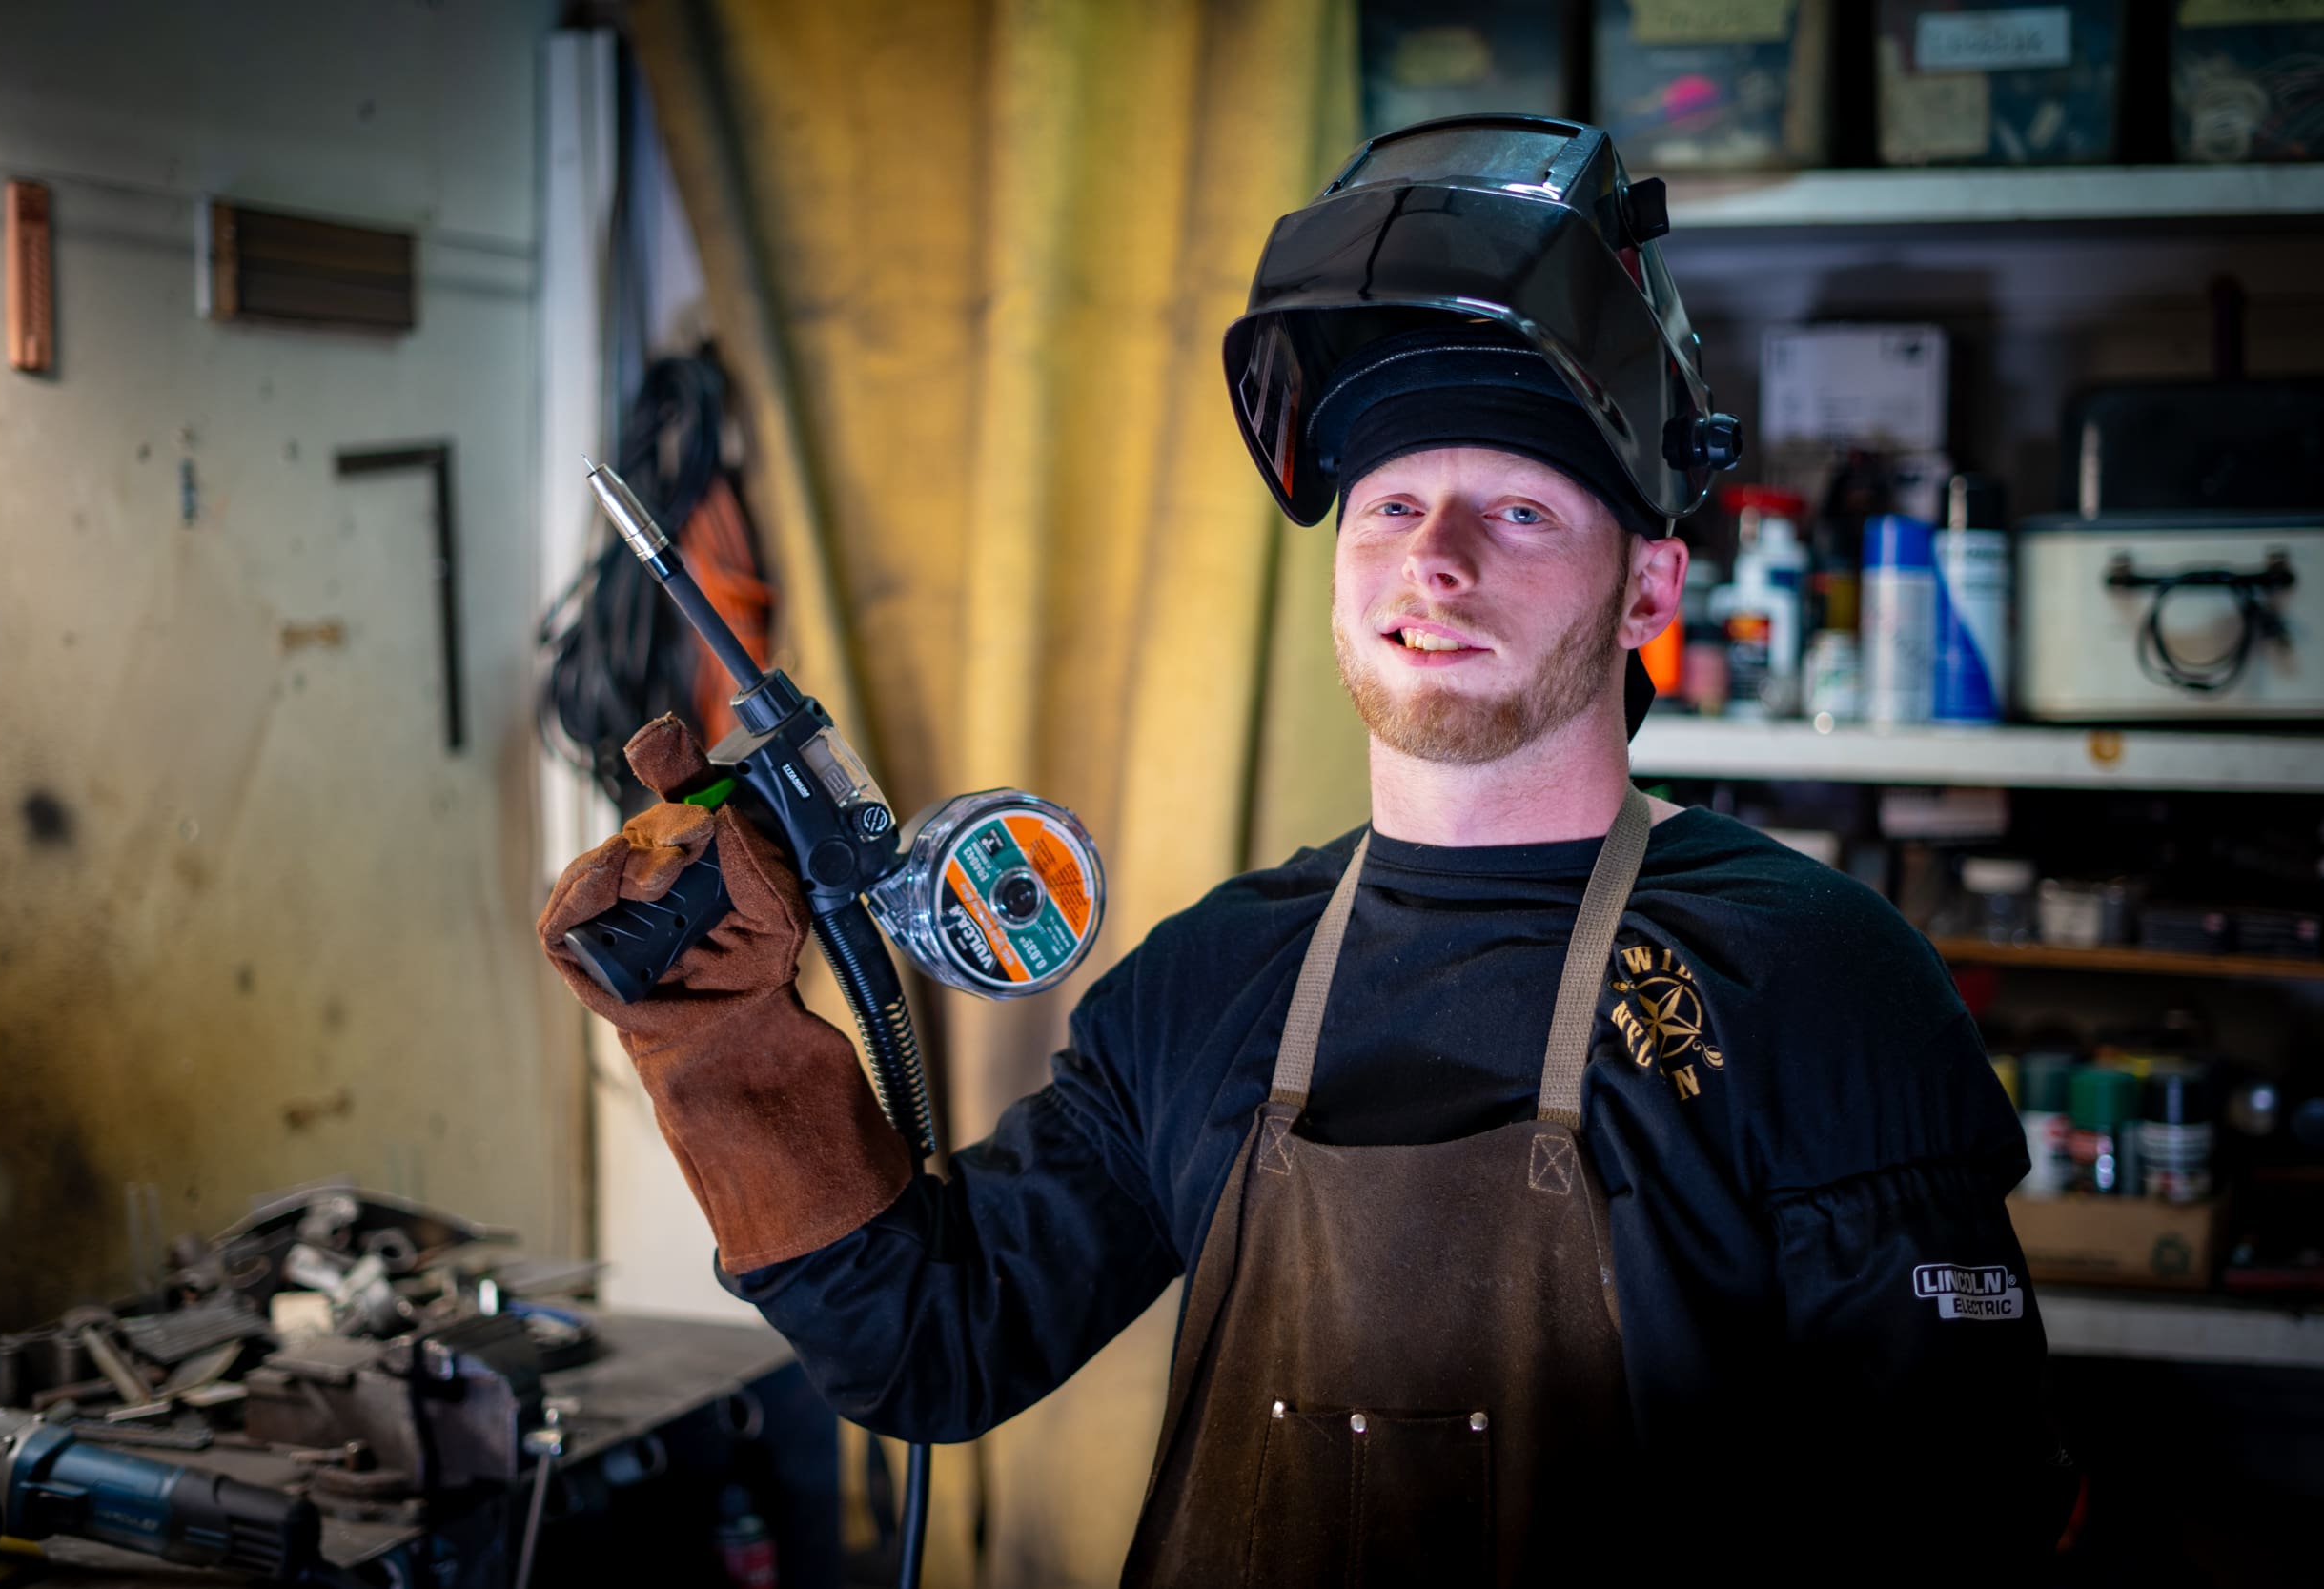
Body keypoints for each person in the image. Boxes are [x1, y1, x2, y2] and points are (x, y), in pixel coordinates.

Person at [540, 117, 2072, 1580]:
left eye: (1522, 514)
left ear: (1652, 589)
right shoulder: (1212, 978)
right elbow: (935, 1348)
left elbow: (1955, 1523)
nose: (1438, 560)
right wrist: (725, 1048)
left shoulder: (1809, 979)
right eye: (1391, 503)